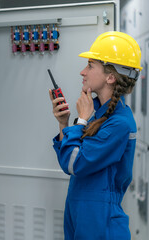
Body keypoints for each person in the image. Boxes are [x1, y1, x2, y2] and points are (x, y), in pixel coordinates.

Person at [49, 31, 142, 239]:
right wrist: (63, 122)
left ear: (110, 77)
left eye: (90, 66)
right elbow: (68, 159)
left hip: (100, 223)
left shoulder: (119, 123)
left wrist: (81, 120)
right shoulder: (98, 113)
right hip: (81, 214)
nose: (83, 72)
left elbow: (75, 164)